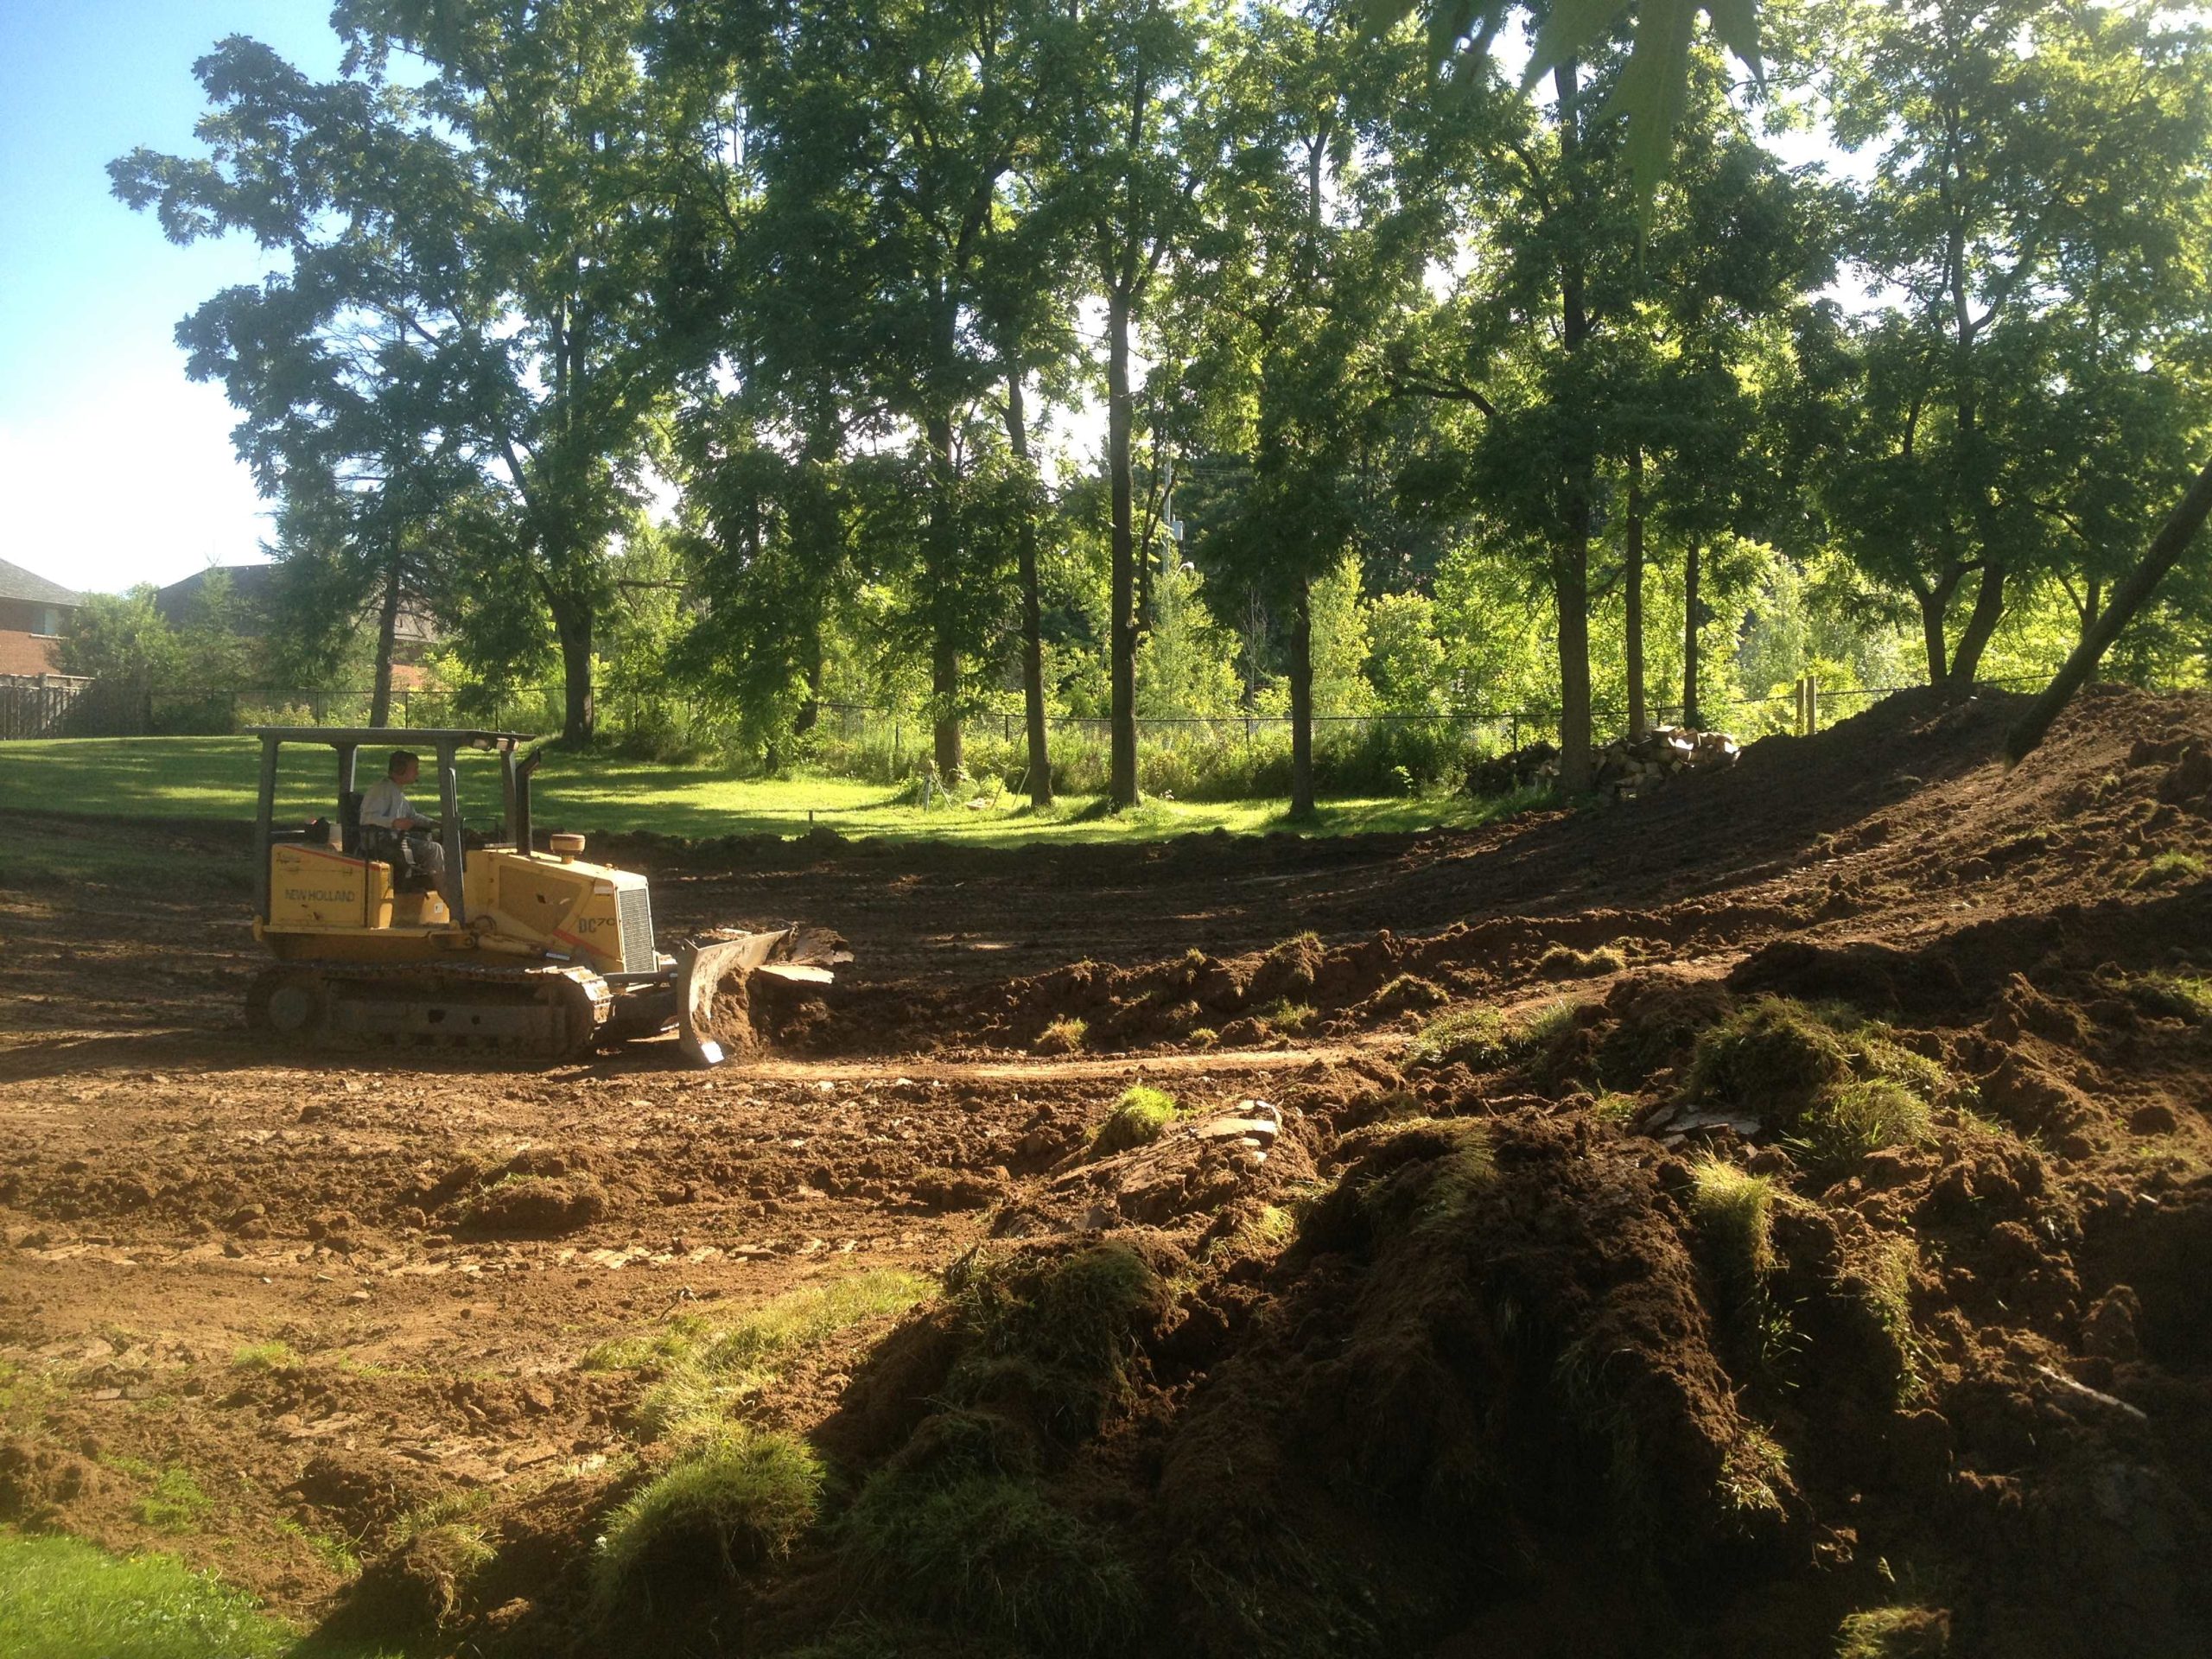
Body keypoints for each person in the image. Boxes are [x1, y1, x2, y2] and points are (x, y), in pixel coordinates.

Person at [359, 750, 446, 890]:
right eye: (415, 769)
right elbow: (367, 818)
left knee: (440, 841)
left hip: (395, 840)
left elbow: (413, 816)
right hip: (382, 844)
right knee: (434, 850)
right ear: (400, 769)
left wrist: (436, 824)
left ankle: (436, 886)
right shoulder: (382, 790)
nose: (417, 773)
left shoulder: (397, 792)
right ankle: (448, 895)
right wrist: (393, 822)